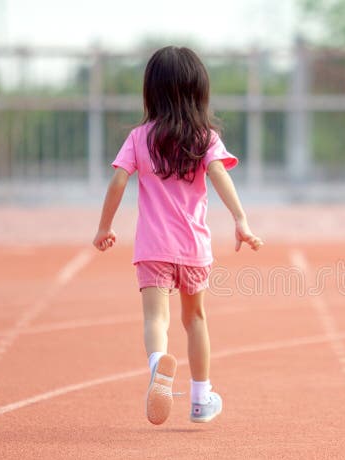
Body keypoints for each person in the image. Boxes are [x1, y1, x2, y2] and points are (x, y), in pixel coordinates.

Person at [92, 46, 263, 425]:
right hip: (194, 248)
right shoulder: (205, 138)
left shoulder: (139, 138)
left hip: (153, 247)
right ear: (198, 90)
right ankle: (201, 399)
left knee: (156, 319)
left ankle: (157, 366)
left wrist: (105, 227)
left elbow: (118, 180)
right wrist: (241, 220)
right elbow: (220, 175)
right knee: (196, 319)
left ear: (151, 91)